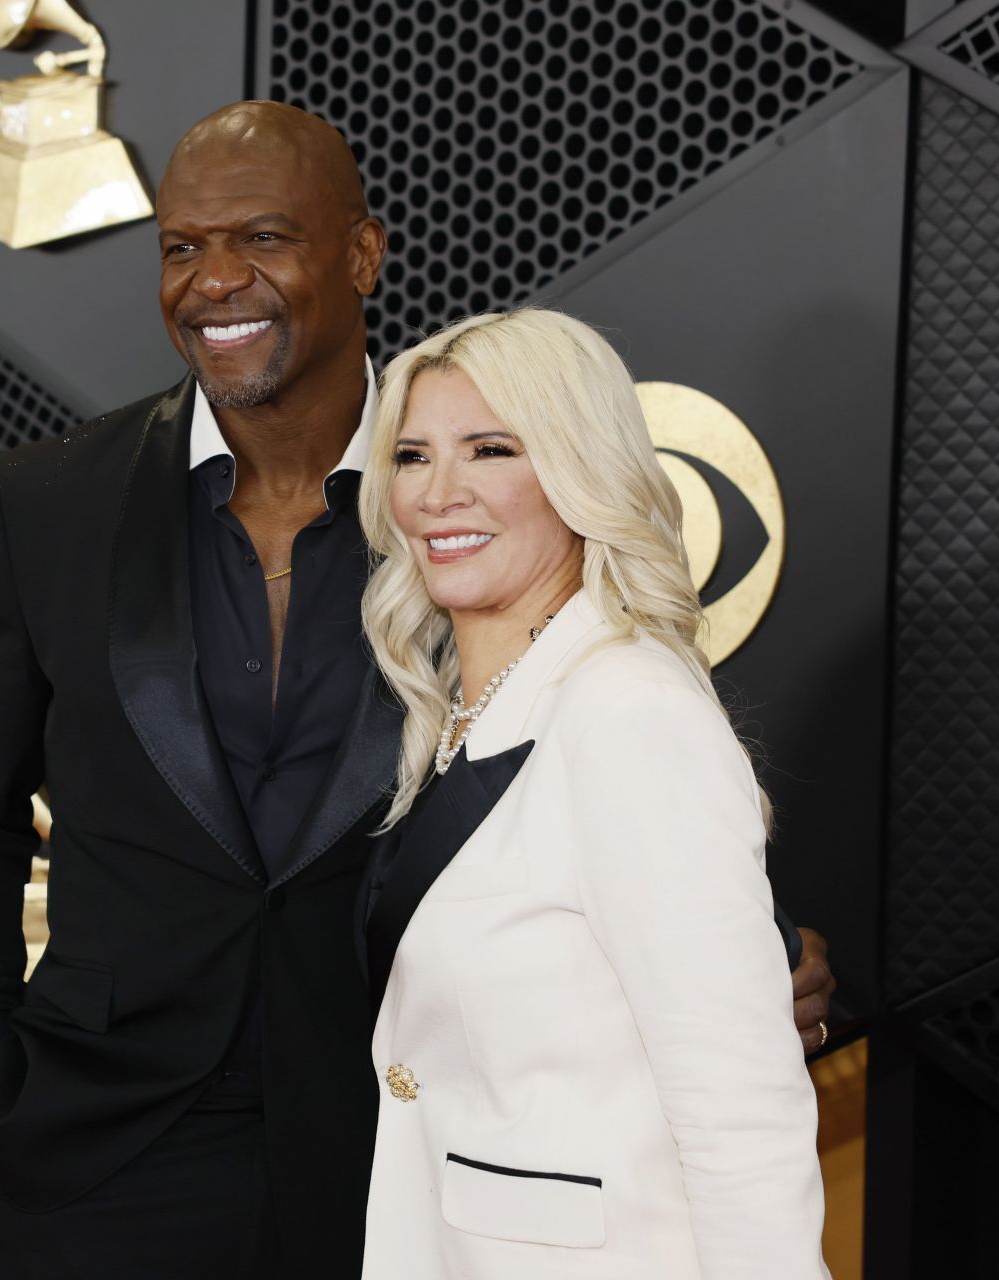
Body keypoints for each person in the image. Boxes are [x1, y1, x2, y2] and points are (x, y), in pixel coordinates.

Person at [0, 102, 835, 1279]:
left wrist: (745, 949)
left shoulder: (455, 518)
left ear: (361, 254)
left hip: (396, 1148)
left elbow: (573, 738)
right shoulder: (49, 501)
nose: (217, 280)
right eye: (183, 246)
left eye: (264, 237)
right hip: (93, 1148)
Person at [356, 308, 829, 1276]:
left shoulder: (629, 711)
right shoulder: (459, 711)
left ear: (577, 467)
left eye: (490, 449)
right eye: (412, 456)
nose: (440, 493)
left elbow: (740, 1105)